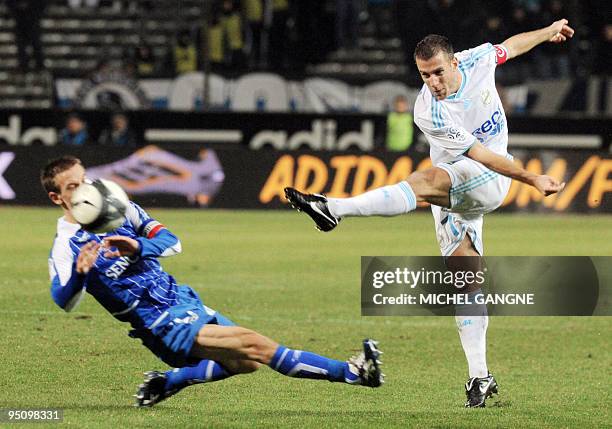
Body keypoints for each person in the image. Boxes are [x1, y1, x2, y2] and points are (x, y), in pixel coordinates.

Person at [285, 18, 574, 407]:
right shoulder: (428, 110)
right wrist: (532, 178)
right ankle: (479, 377)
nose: (433, 82)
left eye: (438, 72)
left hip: (490, 177)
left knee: (427, 179)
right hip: (459, 188)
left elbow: (511, 47)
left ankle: (334, 208)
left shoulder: (477, 61)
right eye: (424, 75)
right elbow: (472, 152)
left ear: (454, 64)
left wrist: (546, 32)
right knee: (465, 279)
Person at [41, 156, 384, 407]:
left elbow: (172, 242)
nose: (84, 189)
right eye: (73, 187)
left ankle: (168, 382)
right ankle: (354, 372)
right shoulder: (66, 245)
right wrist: (82, 275)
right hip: (158, 322)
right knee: (256, 346)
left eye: (84, 179)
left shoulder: (121, 208)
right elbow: (63, 299)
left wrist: (138, 245)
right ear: (57, 198)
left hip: (181, 299)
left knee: (245, 364)